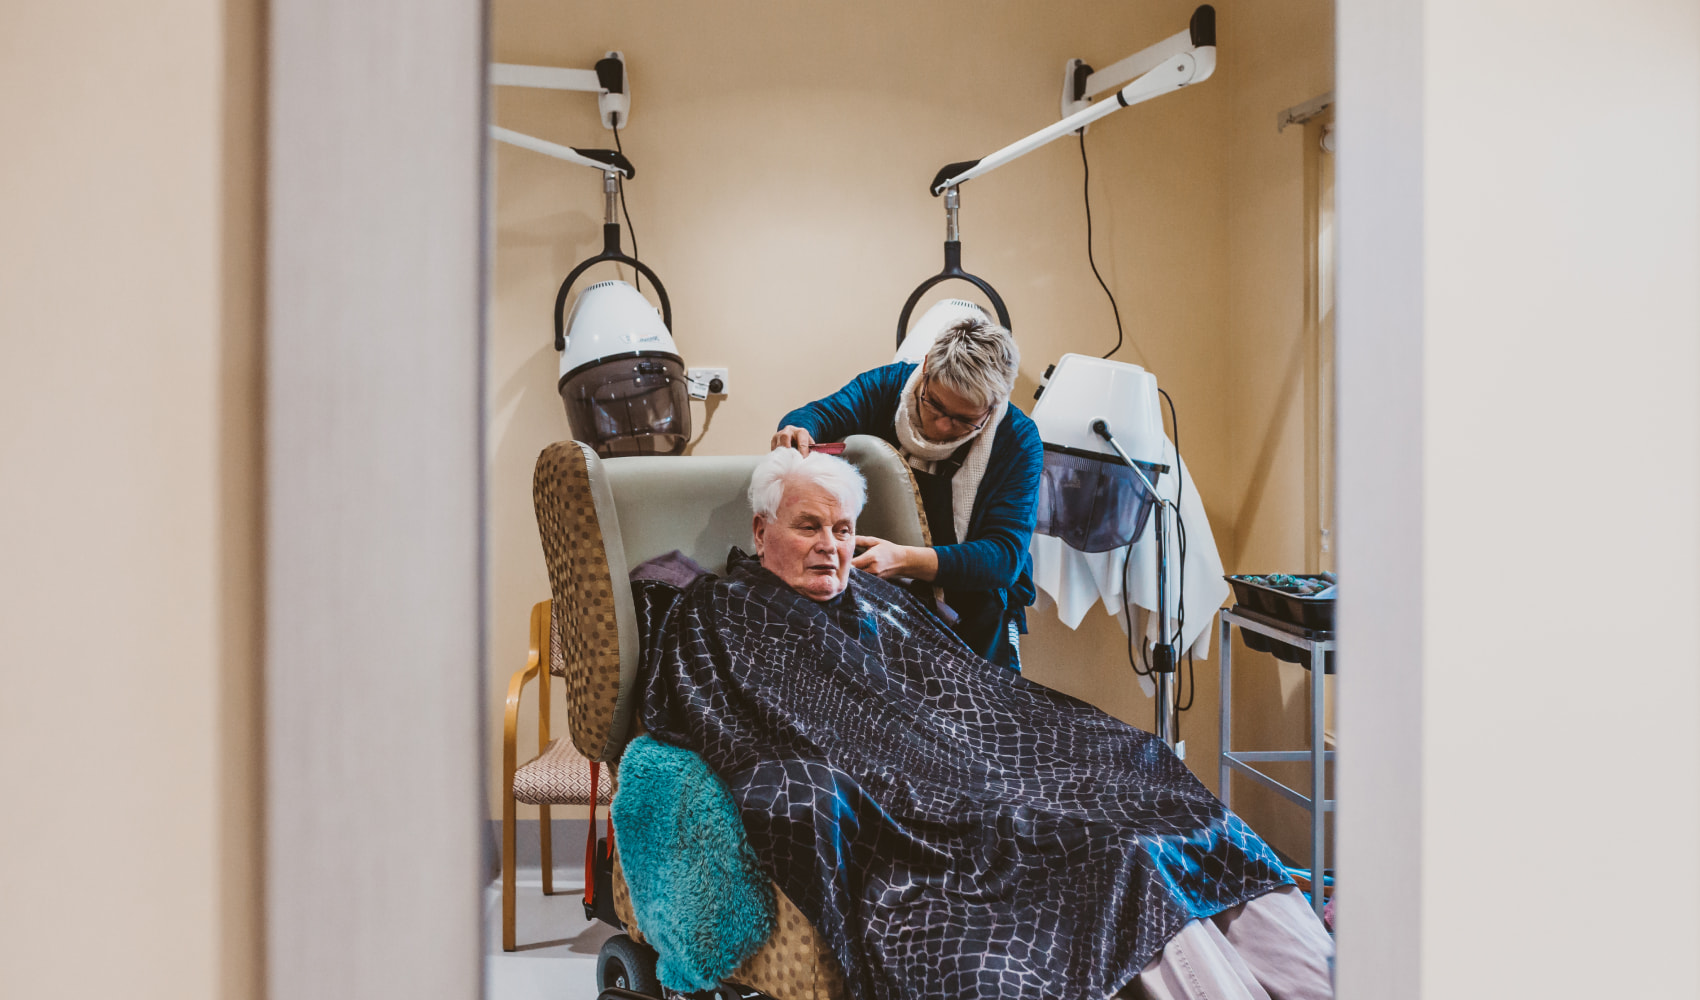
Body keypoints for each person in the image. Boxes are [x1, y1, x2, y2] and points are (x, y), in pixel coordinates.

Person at [632, 447, 1333, 1000]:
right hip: (916, 797)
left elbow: (968, 683)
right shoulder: (721, 610)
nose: (830, 545)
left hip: (983, 751)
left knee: (1151, 781)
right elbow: (710, 718)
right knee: (1119, 853)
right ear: (762, 531)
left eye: (843, 529)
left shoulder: (878, 593)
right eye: (808, 526)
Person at [771, 317, 1041, 669]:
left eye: (963, 420)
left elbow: (1003, 557)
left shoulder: (1017, 440)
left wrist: (904, 560)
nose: (943, 427)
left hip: (976, 610)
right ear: (926, 368)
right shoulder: (886, 386)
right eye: (936, 406)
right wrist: (796, 430)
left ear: (993, 406)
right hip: (882, 604)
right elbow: (818, 415)